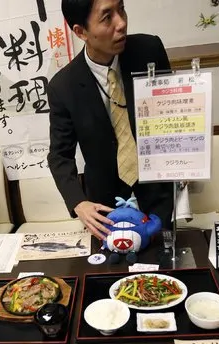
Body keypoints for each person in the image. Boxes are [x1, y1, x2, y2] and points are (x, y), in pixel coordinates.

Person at [48, 0, 173, 240]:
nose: (122, 23)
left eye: (122, 9)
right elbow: (59, 155)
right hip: (105, 210)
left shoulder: (149, 50)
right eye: (107, 17)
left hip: (158, 197)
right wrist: (79, 203)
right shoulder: (63, 87)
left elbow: (169, 114)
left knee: (164, 273)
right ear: (80, 32)